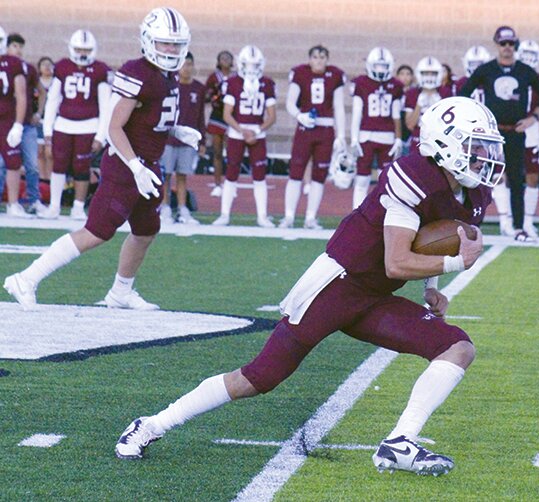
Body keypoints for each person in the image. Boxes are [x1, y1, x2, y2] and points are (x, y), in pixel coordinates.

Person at [115, 97, 505, 476]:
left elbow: (428, 232)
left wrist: (430, 288)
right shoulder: (412, 175)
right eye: (475, 147)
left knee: (457, 347)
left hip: (374, 297)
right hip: (336, 285)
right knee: (258, 377)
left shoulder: (469, 190)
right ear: (442, 144)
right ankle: (152, 423)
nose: (485, 156)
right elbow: (397, 260)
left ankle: (400, 442)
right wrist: (456, 262)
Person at [3, 7, 196, 312]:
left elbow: (147, 118)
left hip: (148, 165)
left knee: (146, 231)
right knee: (97, 232)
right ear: (148, 41)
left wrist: (176, 131)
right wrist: (135, 167)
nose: (171, 49)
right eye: (164, 43)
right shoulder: (138, 71)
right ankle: (25, 279)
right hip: (127, 165)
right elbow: (114, 127)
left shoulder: (166, 74)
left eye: (175, 43)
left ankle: (121, 292)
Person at [460, 25, 539, 242]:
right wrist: (476, 119)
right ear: (497, 45)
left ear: (515, 46)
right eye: (503, 44)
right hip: (491, 134)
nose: (507, 48)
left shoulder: (525, 71)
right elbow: (464, 93)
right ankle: (473, 226)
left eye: (511, 44)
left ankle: (519, 227)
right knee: (479, 178)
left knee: (516, 180)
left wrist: (533, 118)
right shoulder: (486, 69)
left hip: (515, 133)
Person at [40, 29, 110, 220]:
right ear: (72, 48)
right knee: (58, 165)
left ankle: (78, 208)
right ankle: (54, 206)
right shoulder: (62, 67)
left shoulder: (100, 70)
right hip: (63, 125)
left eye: (86, 49)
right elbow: (52, 101)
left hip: (88, 125)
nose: (82, 53)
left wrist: (100, 136)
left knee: (82, 167)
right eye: (79, 48)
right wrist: (48, 132)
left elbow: (106, 106)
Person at [281, 45, 346, 230]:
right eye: (315, 57)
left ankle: (310, 218)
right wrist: (299, 116)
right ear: (309, 59)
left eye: (323, 57)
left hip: (325, 129)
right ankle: (289, 216)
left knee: (319, 176)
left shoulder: (335, 75)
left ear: (327, 59)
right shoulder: (300, 73)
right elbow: (290, 103)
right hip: (305, 128)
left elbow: (339, 107)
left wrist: (341, 135)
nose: (319, 60)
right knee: (295, 173)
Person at [213, 45, 276, 227]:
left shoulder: (267, 83)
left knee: (259, 175)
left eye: (255, 65)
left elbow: (272, 116)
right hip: (237, 133)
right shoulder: (233, 83)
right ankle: (224, 214)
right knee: (231, 173)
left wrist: (255, 131)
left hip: (258, 134)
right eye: (248, 65)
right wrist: (243, 131)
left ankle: (262, 216)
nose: (251, 69)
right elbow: (227, 114)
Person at [349, 46, 403, 209]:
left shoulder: (395, 85)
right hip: (365, 135)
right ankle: (357, 213)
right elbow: (357, 113)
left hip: (387, 136)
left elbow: (396, 115)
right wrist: (354, 138)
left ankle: (382, 214)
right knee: (362, 178)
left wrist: (398, 138)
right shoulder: (361, 83)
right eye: (378, 66)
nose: (380, 70)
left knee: (384, 179)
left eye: (384, 66)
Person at [160, 51, 205, 225]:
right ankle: (164, 208)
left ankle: (182, 208)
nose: (186, 68)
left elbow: (201, 116)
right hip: (169, 139)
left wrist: (201, 141)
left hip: (188, 140)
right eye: (183, 65)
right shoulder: (170, 85)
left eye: (189, 65)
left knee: (182, 175)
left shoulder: (199, 89)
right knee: (166, 175)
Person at [516, 40, 539, 238]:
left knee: (532, 177)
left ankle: (528, 220)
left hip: (533, 129)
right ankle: (510, 220)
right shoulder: (512, 76)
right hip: (512, 128)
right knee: (509, 177)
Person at [5, 32, 42, 216]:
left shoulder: (26, 68)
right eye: (14, 46)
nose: (18, 50)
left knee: (31, 164)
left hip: (24, 123)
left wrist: (38, 112)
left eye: (20, 47)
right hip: (7, 121)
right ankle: (10, 202)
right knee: (6, 163)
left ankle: (34, 200)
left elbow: (40, 91)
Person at [0, 26, 29, 218]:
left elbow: (21, 95)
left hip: (6, 118)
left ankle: (13, 204)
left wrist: (18, 124)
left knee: (13, 161)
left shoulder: (13, 63)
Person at [403, 56, 452, 154]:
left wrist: (439, 106)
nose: (429, 77)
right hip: (418, 139)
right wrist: (419, 105)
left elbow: (450, 124)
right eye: (425, 73)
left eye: (433, 74)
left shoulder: (446, 93)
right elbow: (410, 125)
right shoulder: (412, 93)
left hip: (439, 139)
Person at [205, 50, 235, 198]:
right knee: (217, 152)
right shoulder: (213, 77)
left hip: (233, 117)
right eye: (222, 58)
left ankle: (231, 184)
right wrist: (213, 95)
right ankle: (218, 184)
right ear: (218, 60)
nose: (225, 60)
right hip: (217, 116)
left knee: (232, 153)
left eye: (228, 58)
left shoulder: (237, 77)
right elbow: (206, 96)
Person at [36, 56, 54, 182]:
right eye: (44, 64)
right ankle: (42, 177)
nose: (47, 67)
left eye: (49, 64)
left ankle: (51, 177)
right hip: (39, 120)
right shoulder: (36, 83)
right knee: (40, 151)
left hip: (53, 121)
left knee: (50, 152)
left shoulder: (57, 82)